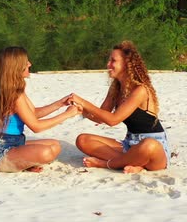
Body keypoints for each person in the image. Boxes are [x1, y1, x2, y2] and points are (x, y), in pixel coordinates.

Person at [70, 41, 170, 173]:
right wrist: (81, 111)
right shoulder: (115, 88)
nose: (108, 65)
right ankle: (135, 163)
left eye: (113, 61)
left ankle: (107, 164)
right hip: (129, 144)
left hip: (154, 149)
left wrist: (82, 101)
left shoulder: (141, 90)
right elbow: (101, 117)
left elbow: (113, 120)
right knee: (83, 140)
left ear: (127, 64)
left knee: (149, 144)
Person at [0, 46, 81, 173]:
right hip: (0, 153)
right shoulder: (14, 95)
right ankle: (19, 162)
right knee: (46, 153)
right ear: (16, 67)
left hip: (14, 142)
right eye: (26, 62)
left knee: (55, 146)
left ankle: (23, 162)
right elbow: (36, 126)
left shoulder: (15, 89)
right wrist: (67, 115)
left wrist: (59, 104)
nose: (29, 64)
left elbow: (33, 114)